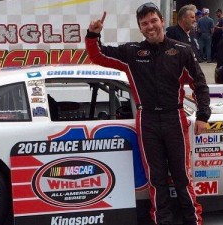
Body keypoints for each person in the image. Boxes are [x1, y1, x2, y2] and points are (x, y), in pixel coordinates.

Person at [85, 2, 211, 225]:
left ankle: (193, 221)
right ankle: (162, 221)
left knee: (182, 177)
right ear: (140, 28)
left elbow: (200, 84)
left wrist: (202, 115)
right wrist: (93, 35)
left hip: (175, 118)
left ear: (163, 21)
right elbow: (99, 55)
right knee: (156, 178)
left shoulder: (182, 51)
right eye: (145, 23)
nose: (150, 26)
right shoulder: (132, 52)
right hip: (147, 121)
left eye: (154, 21)